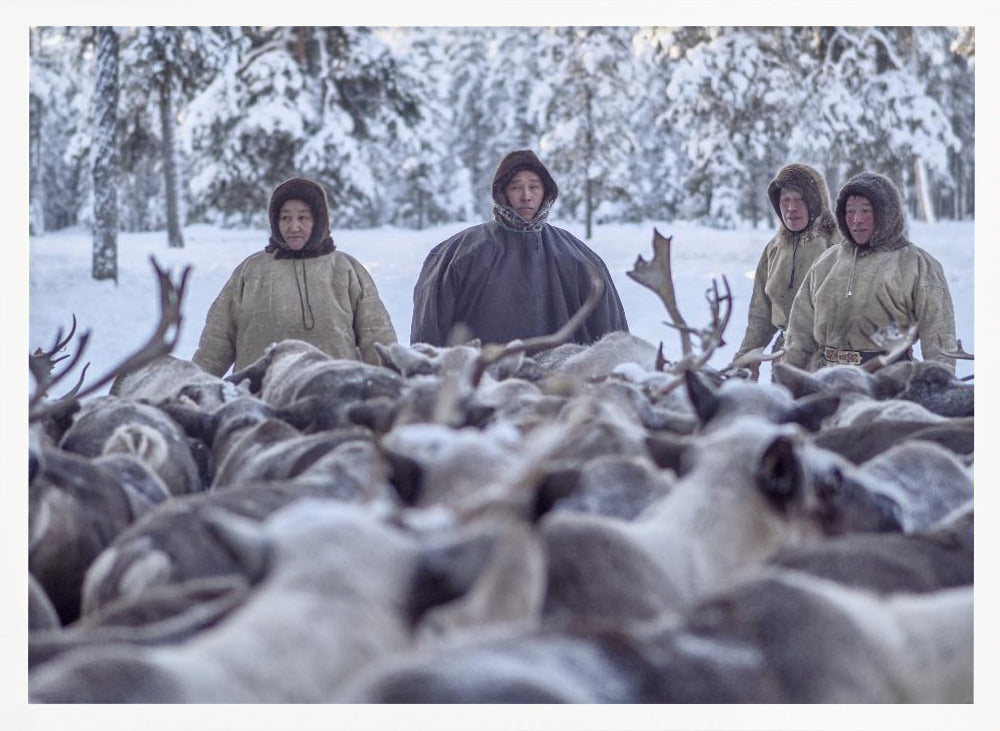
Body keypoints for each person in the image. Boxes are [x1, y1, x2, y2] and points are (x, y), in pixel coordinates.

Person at [410, 150, 629, 346]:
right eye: (516, 187)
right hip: (481, 376)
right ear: (502, 192)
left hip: (561, 378)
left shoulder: (580, 259)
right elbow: (428, 343)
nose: (526, 196)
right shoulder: (456, 256)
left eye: (534, 187)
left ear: (546, 192)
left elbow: (612, 344)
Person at [192, 177, 397, 376]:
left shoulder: (346, 269)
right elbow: (217, 341)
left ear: (319, 220)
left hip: (335, 391)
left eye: (303, 218)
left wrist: (393, 382)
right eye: (285, 218)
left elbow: (377, 337)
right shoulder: (251, 271)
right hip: (260, 393)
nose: (294, 227)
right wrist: (192, 384)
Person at [784, 171, 957, 372]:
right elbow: (800, 333)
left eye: (866, 211)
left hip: (889, 379)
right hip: (828, 377)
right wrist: (790, 376)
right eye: (850, 211)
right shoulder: (826, 262)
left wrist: (939, 379)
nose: (856, 219)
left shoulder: (917, 264)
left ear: (886, 213)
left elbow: (939, 336)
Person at [732, 163, 840, 376]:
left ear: (815, 202)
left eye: (799, 199)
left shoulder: (837, 245)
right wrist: (746, 357)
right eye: (785, 200)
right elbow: (761, 314)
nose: (791, 207)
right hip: (784, 357)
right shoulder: (774, 248)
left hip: (828, 360)